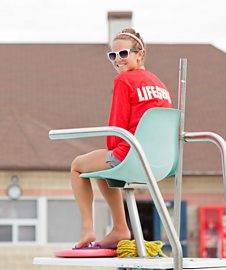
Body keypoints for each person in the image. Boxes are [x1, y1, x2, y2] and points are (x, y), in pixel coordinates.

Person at [71, 28, 173, 248]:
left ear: (140, 54)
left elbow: (116, 128)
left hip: (131, 157)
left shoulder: (125, 81)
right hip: (161, 163)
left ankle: (89, 229)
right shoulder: (162, 86)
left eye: (123, 54)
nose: (118, 60)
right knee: (98, 166)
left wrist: (113, 150)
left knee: (78, 166)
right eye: (112, 55)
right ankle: (119, 228)